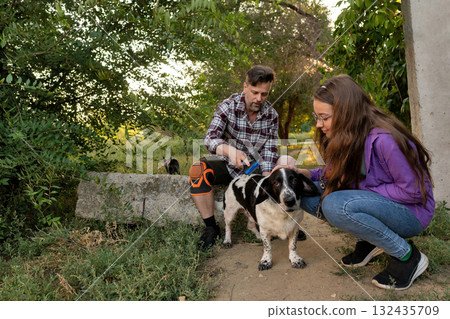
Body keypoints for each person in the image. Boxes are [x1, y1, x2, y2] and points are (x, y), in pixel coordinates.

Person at [277, 74, 435, 290]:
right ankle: (371, 241)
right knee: (300, 192)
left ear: (346, 112)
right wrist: (301, 173)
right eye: (317, 116)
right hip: (377, 202)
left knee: (336, 204)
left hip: (411, 213)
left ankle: (407, 256)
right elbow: (333, 173)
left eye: (324, 117)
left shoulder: (386, 140)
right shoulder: (347, 136)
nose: (318, 123)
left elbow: (414, 192)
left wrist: (358, 189)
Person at [189, 65, 306, 249]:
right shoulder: (227, 107)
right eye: (255, 92)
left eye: (264, 94)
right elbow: (209, 139)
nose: (259, 99)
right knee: (198, 170)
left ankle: (285, 219)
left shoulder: (271, 116)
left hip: (256, 171)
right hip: (228, 165)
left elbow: (269, 154)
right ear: (245, 87)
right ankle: (211, 228)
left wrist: (266, 182)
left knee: (286, 166)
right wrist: (229, 150)